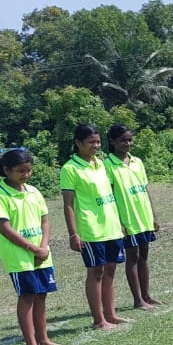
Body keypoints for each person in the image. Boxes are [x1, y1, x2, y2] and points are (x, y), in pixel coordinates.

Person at [0, 149, 61, 345]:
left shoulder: (33, 191)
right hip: (19, 255)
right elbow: (5, 228)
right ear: (6, 170)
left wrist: (43, 247)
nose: (26, 175)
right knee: (27, 296)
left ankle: (43, 338)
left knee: (41, 295)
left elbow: (45, 220)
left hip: (41, 252)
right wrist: (32, 248)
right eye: (21, 171)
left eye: (29, 170)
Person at [59, 124, 128, 330]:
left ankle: (111, 314)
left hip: (111, 226)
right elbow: (68, 204)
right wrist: (73, 233)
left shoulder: (101, 164)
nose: (95, 146)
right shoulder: (70, 169)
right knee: (96, 271)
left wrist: (119, 222)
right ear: (78, 143)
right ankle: (99, 320)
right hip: (90, 229)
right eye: (91, 142)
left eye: (98, 142)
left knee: (110, 270)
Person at [104, 125, 162, 311]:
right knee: (133, 257)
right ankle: (138, 300)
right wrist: (118, 222)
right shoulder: (108, 165)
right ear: (112, 141)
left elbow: (145, 189)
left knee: (144, 255)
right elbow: (110, 194)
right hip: (127, 217)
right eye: (123, 140)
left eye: (129, 139)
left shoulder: (137, 161)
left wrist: (153, 214)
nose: (127, 143)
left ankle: (147, 295)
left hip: (143, 216)